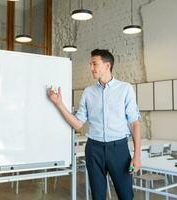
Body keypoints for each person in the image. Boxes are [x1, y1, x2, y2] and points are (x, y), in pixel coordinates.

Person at [48, 49, 141, 200]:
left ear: (107, 65)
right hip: (94, 149)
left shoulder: (125, 89)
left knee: (126, 195)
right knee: (97, 196)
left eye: (94, 64)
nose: (91, 68)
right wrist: (59, 104)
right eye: (90, 64)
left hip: (118, 149)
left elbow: (134, 123)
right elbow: (78, 124)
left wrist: (137, 155)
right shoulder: (88, 92)